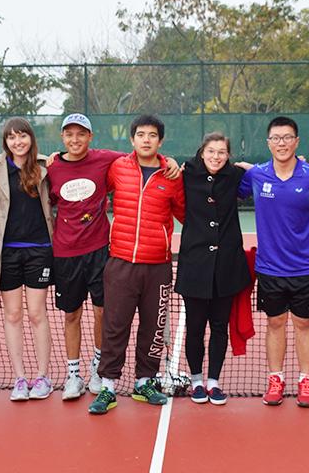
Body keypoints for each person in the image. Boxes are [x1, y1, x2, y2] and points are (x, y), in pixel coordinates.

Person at [47, 113, 179, 401]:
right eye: (69, 134)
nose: (75, 139)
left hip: (137, 258)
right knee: (97, 320)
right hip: (99, 257)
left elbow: (182, 210)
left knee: (127, 321)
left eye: (81, 133)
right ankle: (91, 380)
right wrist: (50, 159)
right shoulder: (64, 167)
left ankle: (131, 378)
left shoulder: (152, 170)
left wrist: (170, 162)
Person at [88, 114, 185, 415]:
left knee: (152, 327)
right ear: (132, 140)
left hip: (157, 264)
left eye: (152, 135)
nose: (146, 139)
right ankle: (108, 387)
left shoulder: (171, 176)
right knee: (115, 326)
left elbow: (185, 214)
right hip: (120, 262)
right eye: (140, 134)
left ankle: (145, 381)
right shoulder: (117, 168)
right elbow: (88, 162)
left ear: (160, 141)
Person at [238, 116, 309, 408]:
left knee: (304, 323)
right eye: (276, 138)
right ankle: (275, 379)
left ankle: (306, 380)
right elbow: (225, 185)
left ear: (296, 141)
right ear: (268, 143)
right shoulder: (257, 175)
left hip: (306, 266)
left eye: (287, 137)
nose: (282, 143)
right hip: (269, 267)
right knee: (275, 323)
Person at [176, 132, 251, 405]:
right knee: (195, 327)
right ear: (202, 151)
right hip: (195, 264)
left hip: (227, 266)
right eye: (211, 151)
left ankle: (213, 382)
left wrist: (251, 168)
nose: (216, 157)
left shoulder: (235, 176)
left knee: (219, 327)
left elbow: (267, 173)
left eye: (221, 152)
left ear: (228, 155)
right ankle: (196, 380)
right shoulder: (186, 172)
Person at [0, 117, 55, 401]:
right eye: (12, 137)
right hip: (7, 252)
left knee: (38, 314)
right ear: (6, 141)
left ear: (31, 139)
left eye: (23, 136)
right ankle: (19, 378)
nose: (18, 141)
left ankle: (42, 377)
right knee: (12, 315)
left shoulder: (46, 167)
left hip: (39, 249)